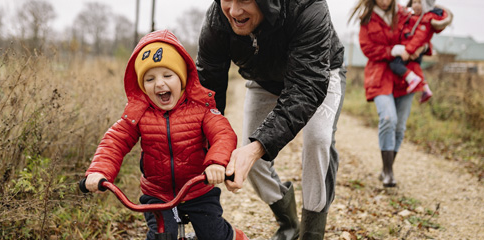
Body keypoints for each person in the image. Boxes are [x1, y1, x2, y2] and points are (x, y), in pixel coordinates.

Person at [196, 0, 346, 239]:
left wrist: (257, 148)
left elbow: (306, 89)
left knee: (318, 139)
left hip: (318, 74)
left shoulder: (308, 7)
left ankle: (312, 233)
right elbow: (207, 94)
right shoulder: (217, 21)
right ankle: (288, 222)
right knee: (249, 159)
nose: (234, 11)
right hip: (263, 79)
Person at [83, 29, 248, 240]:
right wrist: (99, 171)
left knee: (213, 234)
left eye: (167, 75)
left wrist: (216, 163)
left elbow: (223, 134)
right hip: (157, 193)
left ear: (182, 78)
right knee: (162, 235)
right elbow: (114, 141)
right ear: (142, 86)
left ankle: (235, 236)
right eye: (149, 79)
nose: (159, 83)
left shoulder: (201, 109)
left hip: (198, 188)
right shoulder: (138, 114)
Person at [350, 0, 416, 188]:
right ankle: (388, 171)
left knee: (400, 126)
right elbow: (367, 48)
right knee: (388, 118)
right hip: (379, 76)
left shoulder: (406, 14)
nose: (384, 1)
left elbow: (422, 33)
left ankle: (387, 168)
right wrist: (391, 50)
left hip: (405, 75)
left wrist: (423, 47)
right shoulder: (367, 19)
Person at [389, 0, 453, 103]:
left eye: (420, 2)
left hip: (411, 50)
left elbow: (419, 38)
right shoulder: (413, 17)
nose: (416, 5)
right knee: (415, 67)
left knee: (395, 64)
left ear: (426, 6)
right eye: (414, 2)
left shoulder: (425, 20)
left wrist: (409, 50)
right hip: (413, 49)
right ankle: (425, 89)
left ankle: (411, 79)